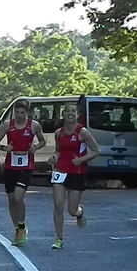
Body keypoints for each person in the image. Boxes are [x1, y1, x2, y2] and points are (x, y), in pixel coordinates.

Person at [0, 99, 46, 246]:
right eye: (17, 112)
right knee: (10, 198)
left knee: (18, 196)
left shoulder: (34, 126)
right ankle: (17, 229)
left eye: (22, 113)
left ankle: (21, 225)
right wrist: (4, 148)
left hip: (26, 165)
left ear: (27, 113)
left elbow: (42, 141)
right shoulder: (7, 125)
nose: (19, 115)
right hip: (10, 165)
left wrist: (35, 147)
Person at [49, 102, 100, 249]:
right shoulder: (59, 132)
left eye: (73, 111)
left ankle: (79, 213)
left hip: (76, 171)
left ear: (77, 114)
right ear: (63, 114)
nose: (70, 114)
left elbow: (96, 150)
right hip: (60, 170)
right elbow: (58, 151)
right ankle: (58, 238)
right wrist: (54, 158)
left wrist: (81, 160)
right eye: (67, 111)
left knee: (71, 210)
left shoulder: (82, 132)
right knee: (58, 205)